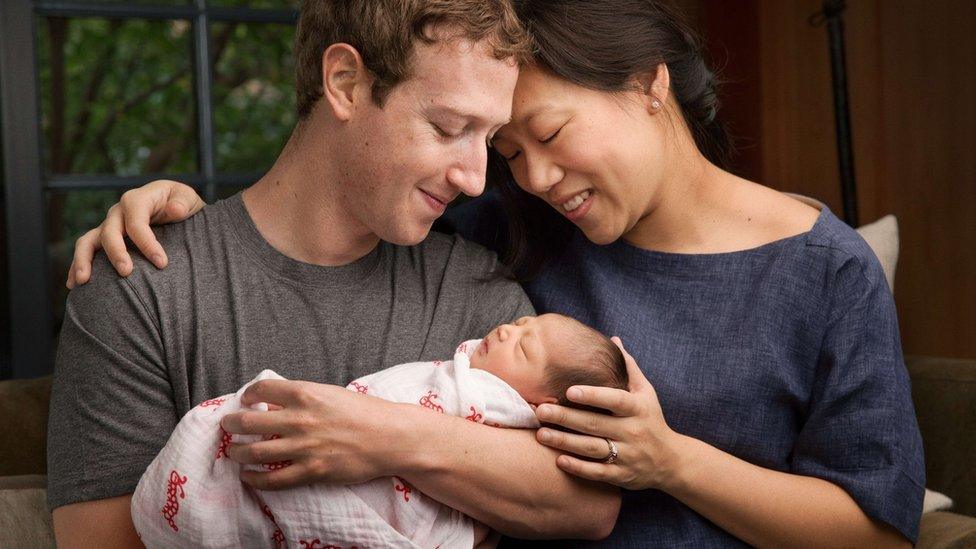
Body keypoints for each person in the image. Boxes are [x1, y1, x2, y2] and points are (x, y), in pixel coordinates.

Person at [67, 0, 925, 547]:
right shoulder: (522, 228)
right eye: (497, 146)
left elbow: (587, 502)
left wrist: (670, 461)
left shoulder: (824, 270)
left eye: (533, 136)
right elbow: (332, 199)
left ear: (649, 84)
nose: (507, 176)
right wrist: (173, 208)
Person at [46, 2, 623, 547]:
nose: (476, 178)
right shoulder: (142, 285)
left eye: (489, 140)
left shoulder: (473, 293)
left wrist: (382, 436)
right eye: (449, 128)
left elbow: (587, 504)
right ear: (345, 82)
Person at [131, 314, 627, 548]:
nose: (507, 331)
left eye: (523, 347)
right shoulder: (155, 288)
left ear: (541, 405)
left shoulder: (497, 390)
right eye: (522, 323)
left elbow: (592, 506)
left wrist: (382, 435)